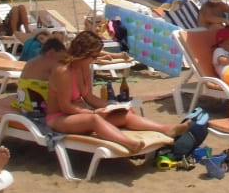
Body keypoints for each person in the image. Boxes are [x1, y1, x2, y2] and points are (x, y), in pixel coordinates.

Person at [45, 31, 189, 152]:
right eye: (93, 56)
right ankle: (129, 143)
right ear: (83, 53)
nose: (95, 59)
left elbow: (88, 97)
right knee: (94, 120)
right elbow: (65, 107)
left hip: (79, 114)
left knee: (124, 114)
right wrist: (93, 113)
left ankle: (165, 129)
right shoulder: (63, 71)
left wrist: (111, 106)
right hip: (59, 117)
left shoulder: (85, 67)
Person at [14, 36, 68, 114]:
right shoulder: (52, 63)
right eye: (62, 58)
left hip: (23, 103)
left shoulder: (31, 61)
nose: (63, 61)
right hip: (38, 107)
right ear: (51, 52)